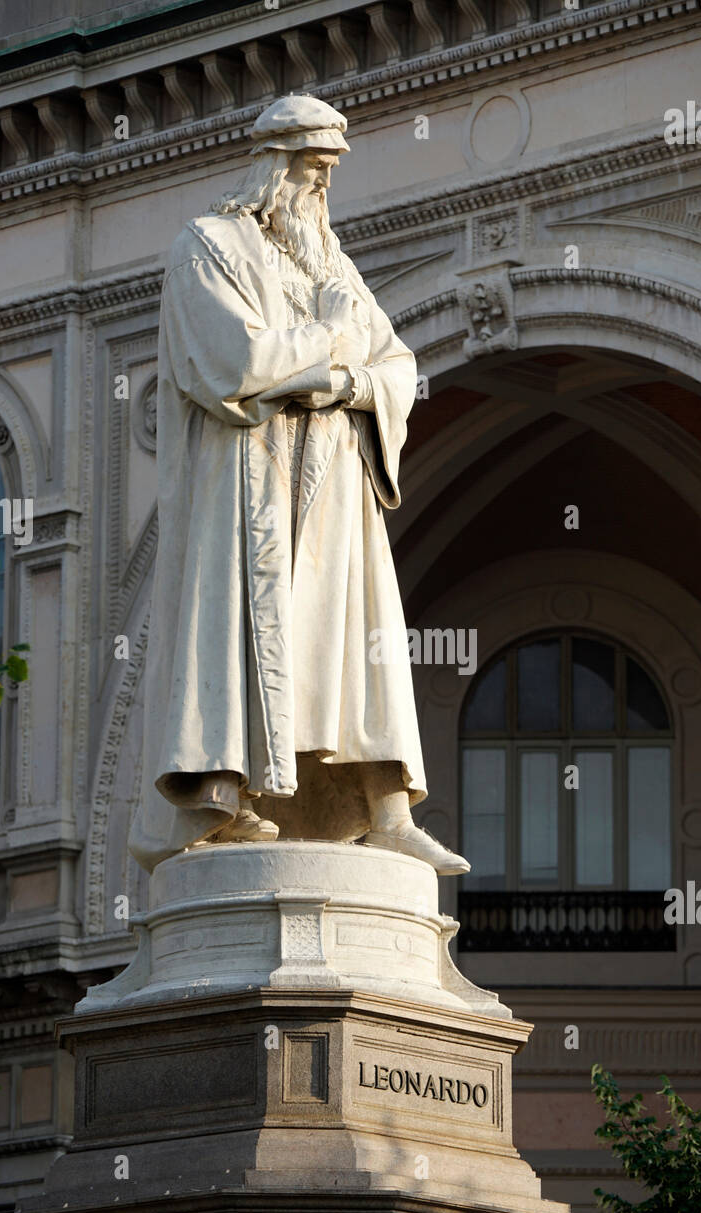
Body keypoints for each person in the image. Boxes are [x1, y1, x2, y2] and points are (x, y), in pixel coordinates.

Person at [128, 94, 468, 877]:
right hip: (245, 493)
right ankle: (224, 796)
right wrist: (329, 346)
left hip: (337, 491)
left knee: (352, 644)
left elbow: (396, 368)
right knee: (242, 633)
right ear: (272, 165)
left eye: (329, 176)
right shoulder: (206, 248)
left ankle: (384, 811)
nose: (319, 191)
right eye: (311, 170)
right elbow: (233, 362)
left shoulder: (333, 266)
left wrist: (336, 377)